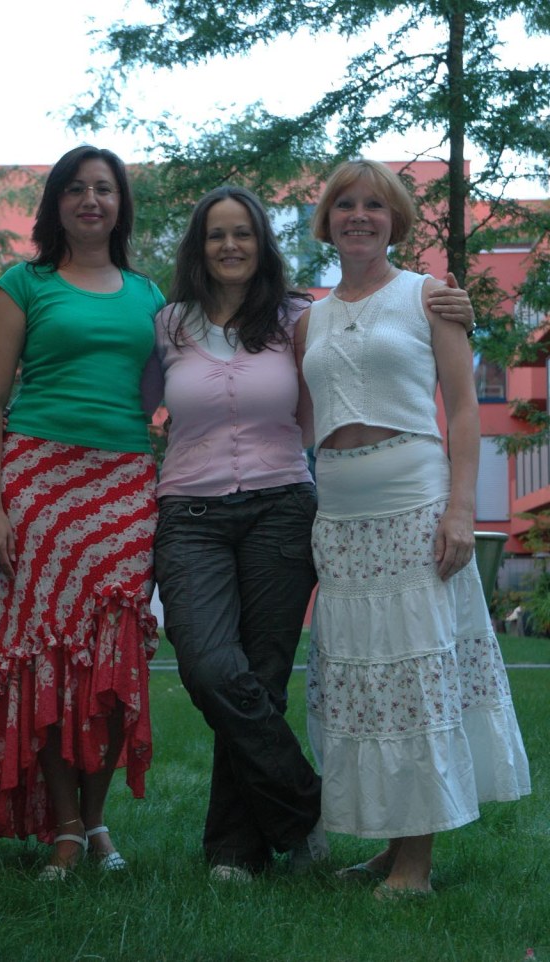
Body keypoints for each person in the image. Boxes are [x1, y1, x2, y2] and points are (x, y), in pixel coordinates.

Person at [151, 185, 476, 882]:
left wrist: (456, 309)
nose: (230, 245)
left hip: (282, 506)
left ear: (262, 243)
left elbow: (351, 375)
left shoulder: (297, 317)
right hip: (191, 514)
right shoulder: (168, 323)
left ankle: (235, 852)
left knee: (261, 679)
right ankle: (304, 808)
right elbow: (128, 400)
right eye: (216, 234)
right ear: (198, 247)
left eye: (243, 232)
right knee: (211, 668)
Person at [298, 159, 531, 899]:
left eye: (374, 205)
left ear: (395, 220)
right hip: (340, 517)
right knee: (369, 681)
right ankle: (389, 846)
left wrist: (461, 509)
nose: (358, 216)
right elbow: (301, 421)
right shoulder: (308, 319)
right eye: (344, 205)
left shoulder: (429, 296)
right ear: (327, 220)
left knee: (415, 674)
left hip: (414, 505)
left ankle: (416, 866)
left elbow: (463, 409)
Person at [0, 146, 165, 880]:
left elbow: (177, 383)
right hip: (40, 481)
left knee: (114, 654)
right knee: (45, 653)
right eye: (76, 189)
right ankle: (66, 826)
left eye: (104, 189)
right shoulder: (24, 283)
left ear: (120, 205)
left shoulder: (149, 294)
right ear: (56, 203)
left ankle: (98, 817)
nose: (91, 200)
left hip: (125, 484)